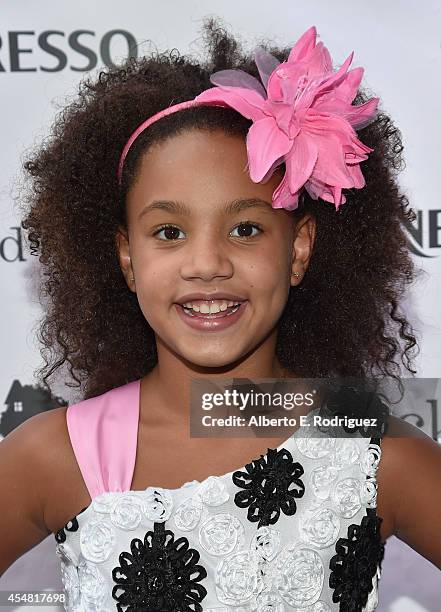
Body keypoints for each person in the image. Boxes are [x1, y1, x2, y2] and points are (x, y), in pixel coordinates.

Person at [1, 17, 440, 611]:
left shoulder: (373, 456)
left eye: (246, 228)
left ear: (299, 249)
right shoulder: (55, 456)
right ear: (127, 258)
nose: (206, 263)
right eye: (169, 231)